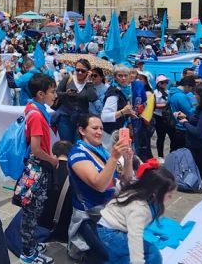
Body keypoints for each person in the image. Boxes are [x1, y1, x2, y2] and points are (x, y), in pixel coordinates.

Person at [67, 114, 133, 262]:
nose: (99, 132)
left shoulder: (102, 152)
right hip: (91, 217)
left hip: (111, 211)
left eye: (101, 128)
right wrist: (114, 158)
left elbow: (127, 181)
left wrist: (128, 160)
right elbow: (99, 185)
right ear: (82, 130)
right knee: (120, 256)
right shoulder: (77, 154)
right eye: (94, 128)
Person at [97, 160, 177, 264]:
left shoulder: (143, 194)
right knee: (152, 254)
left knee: (117, 259)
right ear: (156, 193)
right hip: (111, 233)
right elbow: (135, 237)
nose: (170, 198)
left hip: (107, 228)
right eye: (169, 195)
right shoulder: (139, 208)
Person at [17, 73, 58, 264]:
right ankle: (27, 254)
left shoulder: (34, 109)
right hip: (37, 169)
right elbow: (36, 148)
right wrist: (52, 159)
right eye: (52, 91)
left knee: (33, 211)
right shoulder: (36, 115)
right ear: (41, 94)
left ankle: (31, 244)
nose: (55, 95)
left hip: (37, 167)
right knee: (31, 212)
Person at [179, 82, 202, 191]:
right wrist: (187, 117)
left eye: (196, 94)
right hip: (198, 147)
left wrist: (185, 123)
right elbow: (199, 121)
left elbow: (200, 133)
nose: (194, 97)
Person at [55, 59, 98, 143]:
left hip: (81, 120)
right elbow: (57, 93)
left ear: (88, 72)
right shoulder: (68, 78)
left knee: (78, 144)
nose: (80, 73)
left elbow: (92, 98)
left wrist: (89, 82)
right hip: (65, 117)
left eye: (83, 71)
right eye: (77, 70)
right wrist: (66, 94)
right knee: (66, 145)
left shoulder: (89, 84)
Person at [100, 65, 138, 151]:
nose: (123, 78)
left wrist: (129, 113)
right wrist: (123, 112)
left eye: (125, 75)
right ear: (115, 77)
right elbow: (104, 117)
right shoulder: (114, 94)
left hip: (120, 130)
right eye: (120, 76)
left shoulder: (125, 90)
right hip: (111, 134)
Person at [169, 75, 197, 151]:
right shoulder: (181, 96)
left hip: (177, 125)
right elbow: (189, 112)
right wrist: (195, 105)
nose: (191, 91)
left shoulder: (172, 93)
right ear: (187, 86)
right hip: (183, 127)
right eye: (191, 88)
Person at [153, 75, 175, 161]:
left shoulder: (169, 92)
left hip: (168, 117)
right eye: (162, 82)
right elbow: (153, 105)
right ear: (158, 83)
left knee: (173, 137)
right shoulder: (155, 93)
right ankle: (160, 156)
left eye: (166, 82)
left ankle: (172, 156)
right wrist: (165, 105)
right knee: (161, 137)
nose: (165, 84)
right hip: (159, 117)